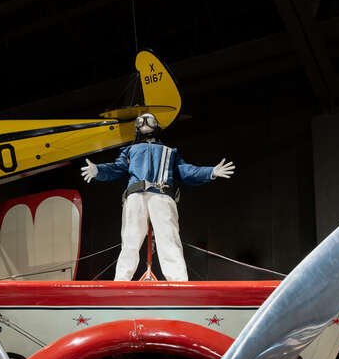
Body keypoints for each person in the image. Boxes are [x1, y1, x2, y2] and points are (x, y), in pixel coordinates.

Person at [81, 113, 235, 281]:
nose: (145, 123)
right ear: (137, 127)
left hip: (162, 196)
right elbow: (116, 168)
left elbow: (186, 171)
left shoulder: (169, 152)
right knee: (130, 239)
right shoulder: (130, 151)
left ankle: (178, 281)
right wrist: (98, 170)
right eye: (141, 120)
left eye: (150, 120)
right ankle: (121, 281)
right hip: (136, 197)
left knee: (168, 238)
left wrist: (211, 172)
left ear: (157, 126)